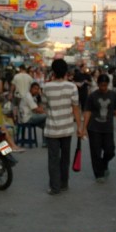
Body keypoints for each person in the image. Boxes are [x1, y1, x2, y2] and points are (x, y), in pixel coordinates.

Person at [41, 58, 82, 195]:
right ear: (66, 72)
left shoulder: (46, 87)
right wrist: (80, 127)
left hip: (52, 129)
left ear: (53, 71)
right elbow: (75, 108)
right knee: (65, 158)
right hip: (67, 129)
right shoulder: (72, 87)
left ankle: (55, 187)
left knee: (53, 159)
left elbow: (44, 106)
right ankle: (64, 183)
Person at [82, 72, 116, 182]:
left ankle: (104, 164)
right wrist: (83, 128)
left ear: (108, 84)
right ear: (98, 84)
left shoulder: (113, 95)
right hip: (94, 128)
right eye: (101, 85)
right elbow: (88, 112)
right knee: (95, 152)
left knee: (110, 150)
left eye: (105, 85)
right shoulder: (92, 96)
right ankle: (99, 174)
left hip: (108, 128)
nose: (103, 88)